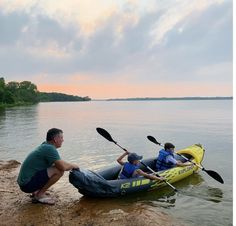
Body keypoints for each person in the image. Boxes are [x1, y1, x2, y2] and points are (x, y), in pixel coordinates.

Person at [17, 128, 79, 205]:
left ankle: (36, 191)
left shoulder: (45, 145)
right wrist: (74, 165)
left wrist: (68, 165)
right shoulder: (50, 149)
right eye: (61, 138)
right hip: (27, 185)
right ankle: (39, 195)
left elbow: (56, 163)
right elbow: (62, 167)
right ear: (55, 139)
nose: (63, 140)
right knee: (59, 171)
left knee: (54, 167)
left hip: (24, 183)